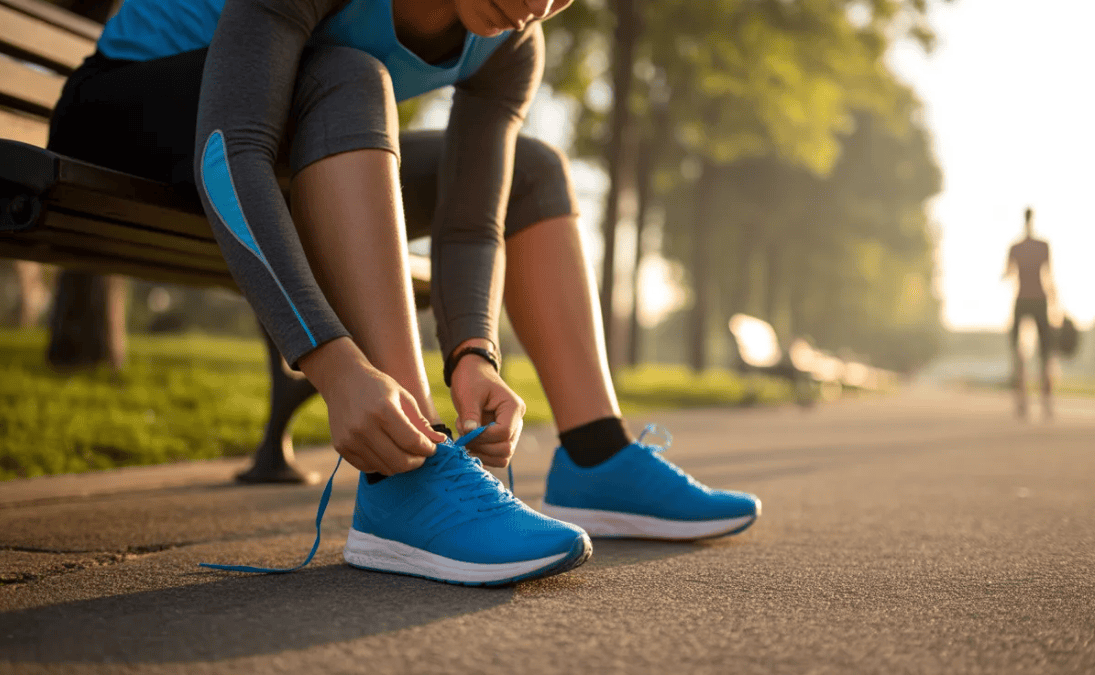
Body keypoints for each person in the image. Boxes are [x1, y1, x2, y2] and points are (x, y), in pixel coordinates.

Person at [48, 0, 760, 586]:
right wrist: (333, 363)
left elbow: (470, 223)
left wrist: (473, 352)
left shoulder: (511, 42)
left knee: (533, 170)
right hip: (128, 114)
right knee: (349, 76)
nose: (537, 4)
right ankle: (406, 470)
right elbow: (229, 154)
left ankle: (598, 455)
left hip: (292, 127)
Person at [1004, 207, 1056, 420]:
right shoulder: (1043, 246)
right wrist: (1055, 304)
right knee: (1045, 353)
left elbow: (1008, 273)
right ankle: (1046, 399)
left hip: (1023, 298)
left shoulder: (1015, 247)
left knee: (1018, 351)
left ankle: (1022, 400)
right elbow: (1049, 275)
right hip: (1040, 299)